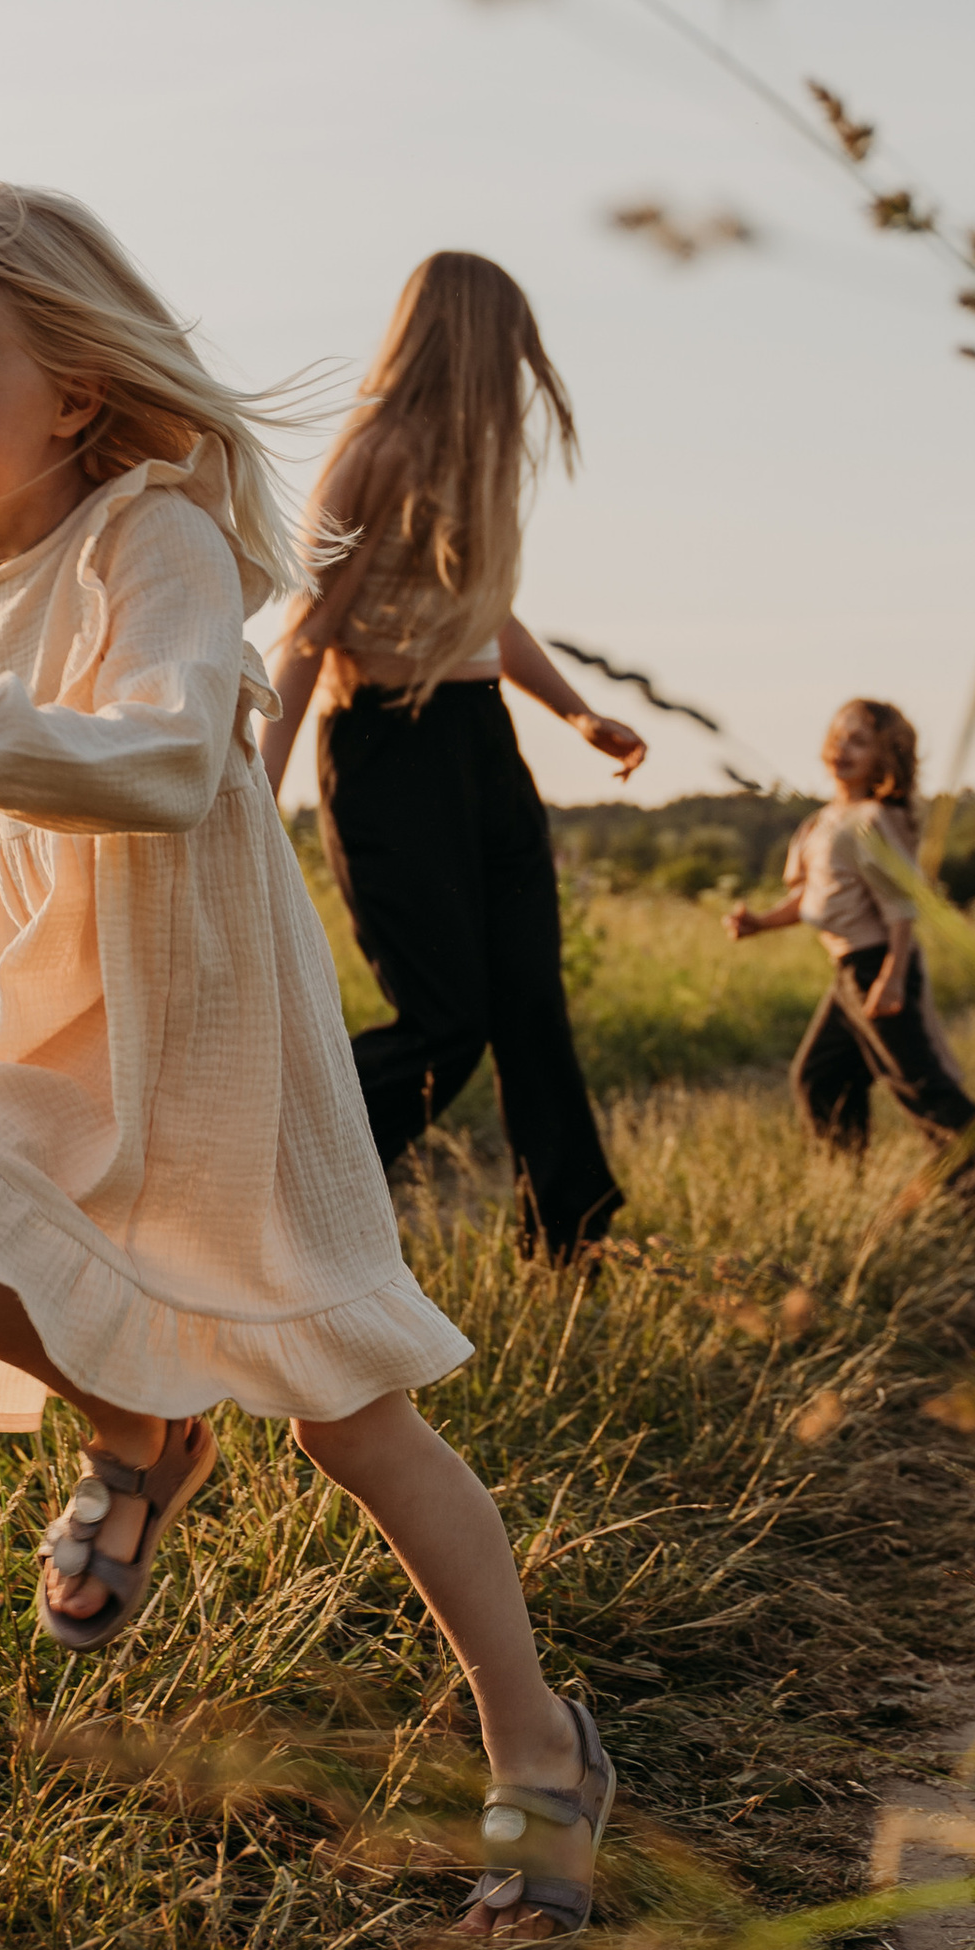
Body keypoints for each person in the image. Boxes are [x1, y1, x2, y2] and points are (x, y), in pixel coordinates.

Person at [0, 183, 613, 1937]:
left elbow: (163, 762)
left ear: (76, 393)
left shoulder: (148, 537)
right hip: (45, 1003)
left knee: (348, 1419)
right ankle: (140, 1432)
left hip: (208, 1009)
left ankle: (538, 1744)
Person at [258, 251, 642, 1263]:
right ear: (465, 340)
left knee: (530, 1002)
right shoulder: (376, 451)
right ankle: (273, 1190)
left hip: (483, 740)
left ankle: (573, 1237)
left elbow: (490, 618)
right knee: (444, 1021)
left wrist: (579, 716)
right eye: (508, 345)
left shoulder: (476, 462)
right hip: (390, 747)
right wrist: (255, 787)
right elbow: (310, 631)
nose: (519, 367)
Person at [726, 698, 975, 1235]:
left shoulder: (872, 821)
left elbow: (902, 908)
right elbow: (812, 897)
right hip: (847, 974)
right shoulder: (823, 821)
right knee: (821, 1078)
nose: (843, 748)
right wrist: (760, 923)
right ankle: (845, 1182)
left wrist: (892, 976)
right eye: (839, 737)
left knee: (920, 1084)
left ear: (886, 760)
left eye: (860, 742)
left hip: (876, 965)